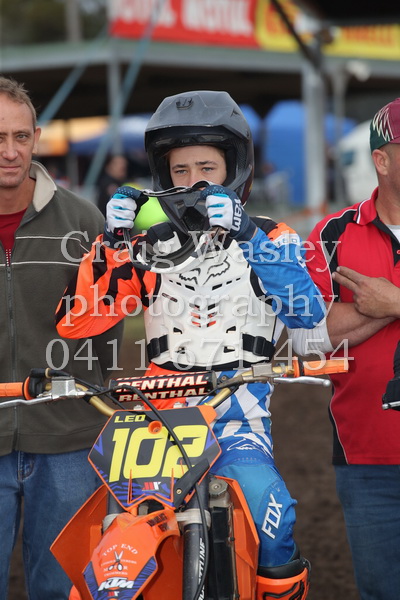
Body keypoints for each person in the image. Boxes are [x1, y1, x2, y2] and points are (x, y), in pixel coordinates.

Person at [56, 89, 326, 598]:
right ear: (163, 175)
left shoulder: (273, 236)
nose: (193, 181)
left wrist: (248, 236)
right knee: (104, 537)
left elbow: (307, 315)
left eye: (207, 167)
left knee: (272, 517)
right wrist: (111, 244)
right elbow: (78, 322)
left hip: (236, 420)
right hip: (153, 424)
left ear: (234, 170)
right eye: (180, 170)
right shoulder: (147, 247)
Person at [0, 76, 122, 599]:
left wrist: (89, 408)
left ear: (36, 138)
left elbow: (109, 329)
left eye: (20, 136)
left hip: (70, 441)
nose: (10, 151)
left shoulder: (83, 220)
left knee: (64, 591)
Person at [295, 97, 400, 600]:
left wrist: (392, 300)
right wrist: (380, 308)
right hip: (366, 459)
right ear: (382, 160)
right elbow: (307, 337)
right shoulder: (332, 234)